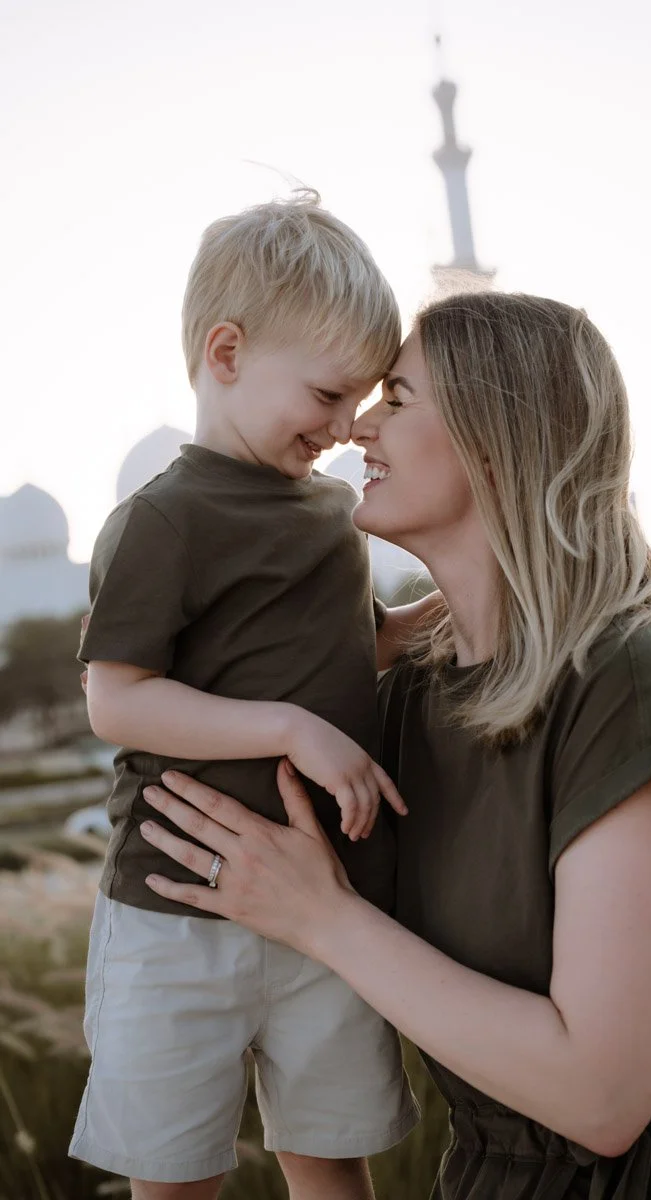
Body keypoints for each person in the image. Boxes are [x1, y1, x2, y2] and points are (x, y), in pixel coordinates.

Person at [138, 291, 651, 1199]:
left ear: (497, 436)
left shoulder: (627, 682)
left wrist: (323, 917)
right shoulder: (408, 701)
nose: (358, 426)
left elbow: (604, 1097)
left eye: (398, 399)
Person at [69, 194, 425, 1200]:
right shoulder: (160, 520)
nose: (347, 428)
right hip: (176, 909)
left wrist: (421, 625)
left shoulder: (327, 514)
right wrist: (287, 728)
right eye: (326, 394)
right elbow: (120, 701)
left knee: (329, 1162)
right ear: (226, 353)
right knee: (176, 1179)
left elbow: (344, 655)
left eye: (362, 401)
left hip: (326, 904)